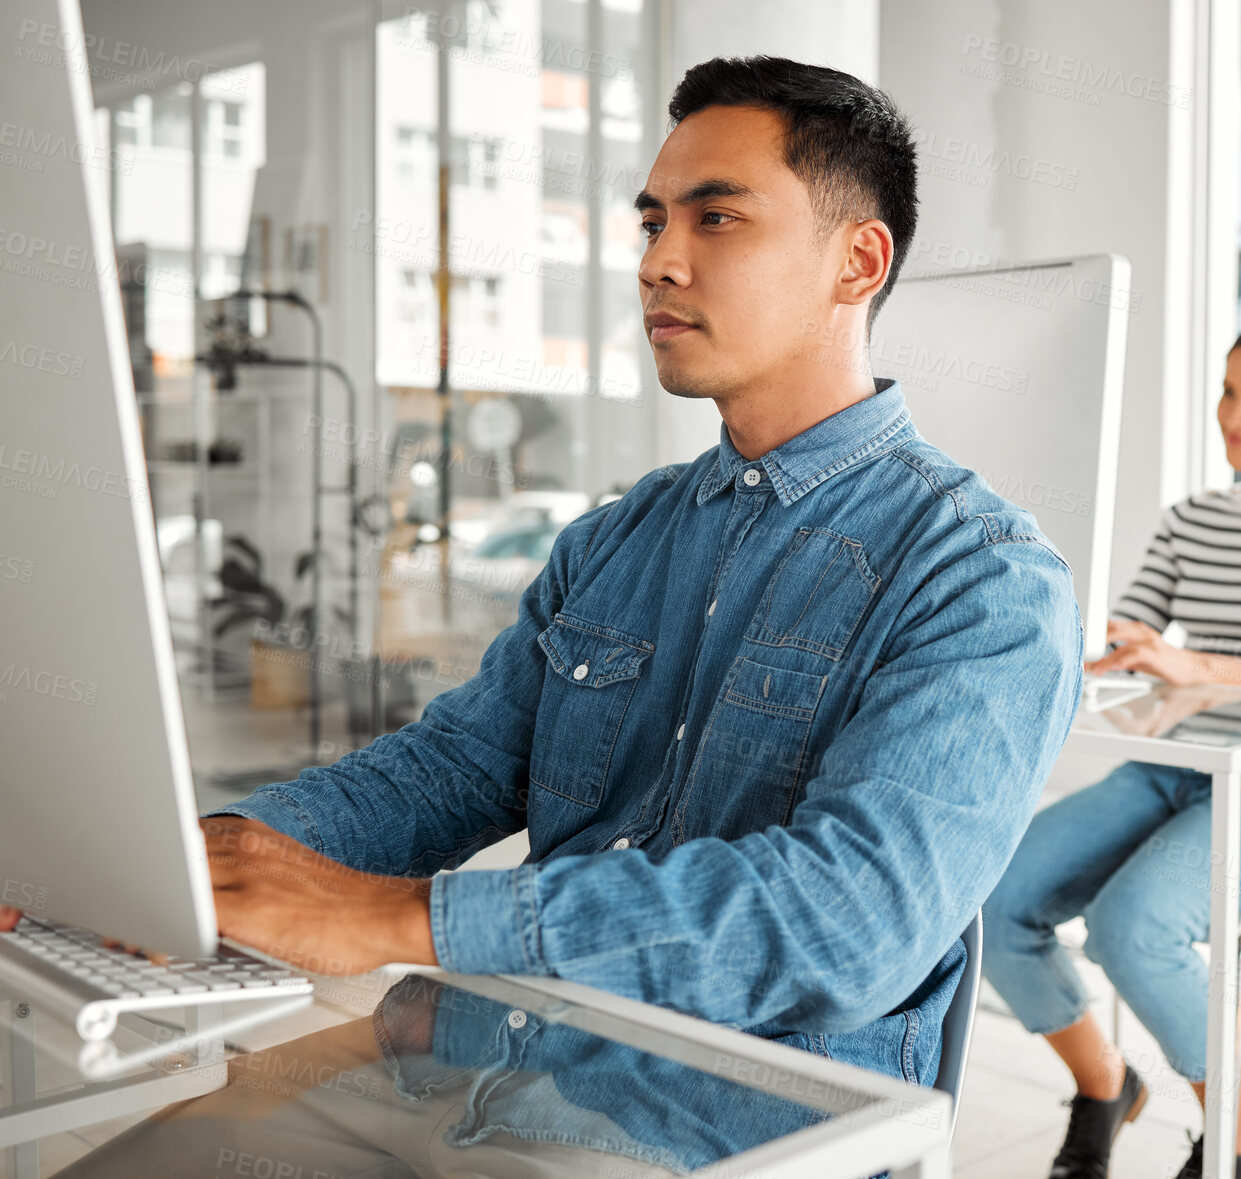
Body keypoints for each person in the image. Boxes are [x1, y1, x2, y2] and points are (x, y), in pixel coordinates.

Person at [2, 55, 1084, 1168]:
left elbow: (846, 921)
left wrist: (396, 919)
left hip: (719, 1127)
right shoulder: (619, 537)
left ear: (857, 262)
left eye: (717, 219)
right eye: (653, 221)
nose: (660, 261)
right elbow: (451, 772)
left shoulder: (982, 579)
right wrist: (196, 863)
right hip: (476, 1050)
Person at [981, 318, 1241, 1179]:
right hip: (1173, 770)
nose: (1232, 415)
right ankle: (1106, 1085)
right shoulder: (1193, 519)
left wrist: (1193, 663)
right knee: (994, 895)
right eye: (1226, 390)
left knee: (1135, 924)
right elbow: (1131, 634)